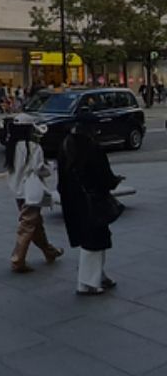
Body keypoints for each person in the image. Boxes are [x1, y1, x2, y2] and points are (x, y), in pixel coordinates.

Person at [58, 118, 123, 295]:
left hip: (74, 202)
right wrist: (115, 181)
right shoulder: (93, 149)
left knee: (90, 240)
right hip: (94, 202)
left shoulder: (66, 147)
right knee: (95, 242)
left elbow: (61, 182)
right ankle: (87, 282)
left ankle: (97, 276)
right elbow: (105, 178)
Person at [4, 116, 63, 273]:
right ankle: (18, 260)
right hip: (31, 191)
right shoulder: (33, 146)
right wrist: (49, 169)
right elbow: (39, 168)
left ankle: (50, 251)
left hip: (18, 191)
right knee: (28, 225)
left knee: (35, 224)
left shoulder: (12, 146)